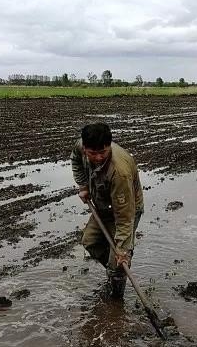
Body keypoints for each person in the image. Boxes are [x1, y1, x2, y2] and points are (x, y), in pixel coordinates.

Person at [70, 122, 144, 298]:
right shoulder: (80, 146)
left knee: (119, 259)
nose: (97, 158)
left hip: (126, 208)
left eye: (102, 152)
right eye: (92, 153)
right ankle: (114, 271)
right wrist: (83, 186)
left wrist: (122, 251)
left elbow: (125, 218)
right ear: (85, 148)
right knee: (90, 242)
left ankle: (116, 299)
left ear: (109, 146)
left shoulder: (120, 173)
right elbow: (75, 160)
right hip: (103, 204)